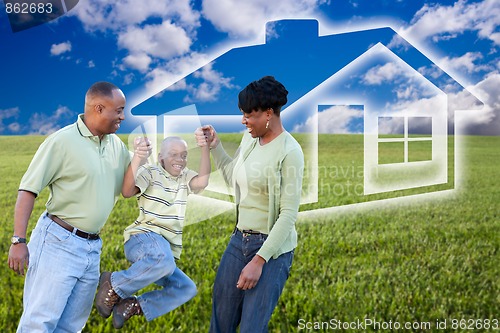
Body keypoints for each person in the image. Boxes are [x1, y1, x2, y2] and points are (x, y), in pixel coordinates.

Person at [7, 81, 151, 333]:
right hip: (57, 242)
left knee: (71, 326)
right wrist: (18, 240)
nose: (122, 116)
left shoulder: (115, 145)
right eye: (118, 110)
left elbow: (130, 188)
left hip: (91, 248)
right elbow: (27, 190)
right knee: (38, 324)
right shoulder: (61, 141)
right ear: (98, 109)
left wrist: (144, 158)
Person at [195, 76, 304, 333]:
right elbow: (234, 175)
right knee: (220, 323)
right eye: (242, 114)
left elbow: (288, 215)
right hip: (238, 242)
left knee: (252, 328)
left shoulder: (290, 151)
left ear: (269, 113)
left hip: (271, 251)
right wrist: (216, 146)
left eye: (249, 115)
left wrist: (259, 260)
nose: (244, 121)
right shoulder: (250, 139)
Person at [94, 135, 211, 329]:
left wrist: (205, 148)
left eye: (184, 155)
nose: (179, 160)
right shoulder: (151, 172)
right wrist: (139, 158)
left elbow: (202, 182)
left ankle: (132, 305)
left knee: (186, 288)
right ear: (160, 157)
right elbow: (127, 191)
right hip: (142, 238)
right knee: (163, 260)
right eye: (173, 154)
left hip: (163, 251)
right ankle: (113, 284)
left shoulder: (185, 177)